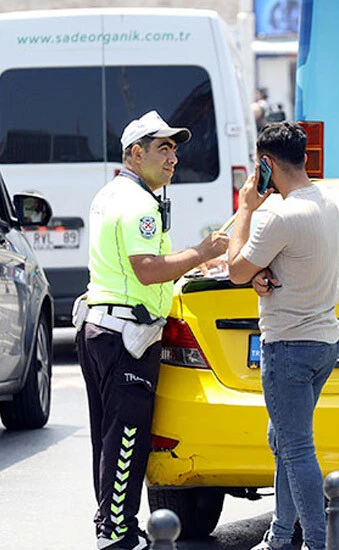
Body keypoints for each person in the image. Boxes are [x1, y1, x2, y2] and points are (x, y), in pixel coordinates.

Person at [76, 110, 229, 550]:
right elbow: (146, 271)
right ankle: (118, 532)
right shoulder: (141, 203)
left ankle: (110, 523)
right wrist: (201, 253)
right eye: (163, 148)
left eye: (175, 149)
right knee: (126, 437)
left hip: (101, 327)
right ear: (135, 152)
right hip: (127, 334)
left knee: (106, 435)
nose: (173, 158)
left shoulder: (111, 193)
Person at [227, 121, 339, 550]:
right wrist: (264, 275)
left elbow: (235, 269)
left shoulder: (278, 214)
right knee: (283, 439)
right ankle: (278, 536)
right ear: (305, 157)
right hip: (324, 341)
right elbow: (285, 265)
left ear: (266, 164)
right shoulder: (325, 204)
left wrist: (245, 207)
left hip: (289, 346)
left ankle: (315, 542)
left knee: (295, 447)